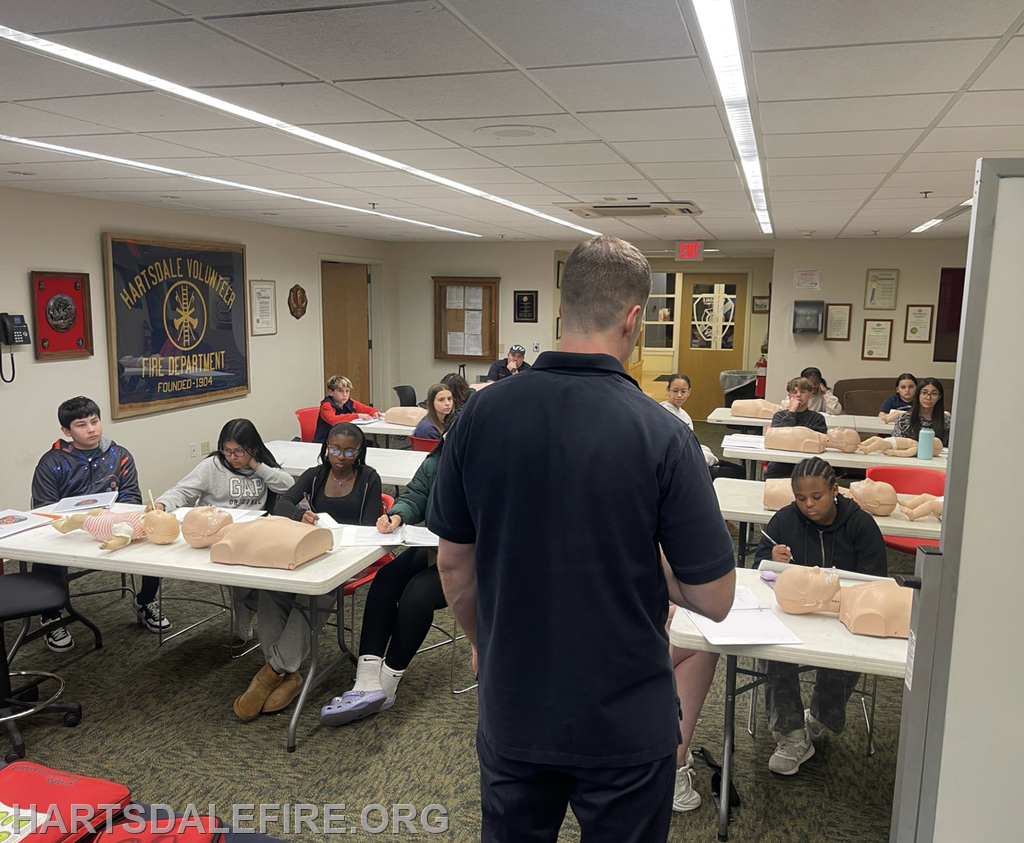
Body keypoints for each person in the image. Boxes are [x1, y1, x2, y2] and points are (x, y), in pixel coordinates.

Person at [431, 235, 736, 843]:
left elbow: (454, 568)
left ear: (559, 311)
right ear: (634, 320)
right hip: (625, 722)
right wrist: (647, 557)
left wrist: (482, 644)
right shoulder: (664, 434)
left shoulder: (477, 417)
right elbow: (716, 599)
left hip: (515, 703)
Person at [232, 423, 382, 720]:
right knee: (271, 587)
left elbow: (368, 524)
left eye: (349, 450)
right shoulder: (315, 476)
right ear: (326, 449)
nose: (340, 456)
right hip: (310, 550)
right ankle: (288, 675)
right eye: (335, 449)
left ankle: (271, 673)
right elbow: (283, 504)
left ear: (359, 452)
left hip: (347, 558)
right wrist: (300, 514)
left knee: (316, 592)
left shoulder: (369, 479)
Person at [752, 457, 887, 775]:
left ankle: (819, 720)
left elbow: (875, 583)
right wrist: (769, 558)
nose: (808, 505)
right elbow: (757, 568)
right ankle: (790, 733)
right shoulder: (784, 521)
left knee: (852, 648)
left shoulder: (860, 525)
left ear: (835, 490)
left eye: (817, 497)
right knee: (772, 649)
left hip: (841, 615)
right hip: (792, 614)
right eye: (800, 499)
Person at [319, 416, 453, 726]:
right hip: (434, 546)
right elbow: (417, 495)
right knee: (386, 579)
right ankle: (366, 684)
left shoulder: (495, 467)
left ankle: (386, 689)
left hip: (475, 558)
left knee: (416, 596)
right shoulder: (439, 459)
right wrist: (396, 516)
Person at [30, 396, 169, 652]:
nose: (91, 429)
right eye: (81, 425)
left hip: (114, 525)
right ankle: (50, 614)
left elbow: (131, 497)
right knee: (44, 551)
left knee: (154, 540)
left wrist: (116, 519)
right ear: (66, 431)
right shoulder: (52, 462)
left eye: (94, 421)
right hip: (72, 528)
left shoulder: (120, 455)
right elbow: (43, 506)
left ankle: (145, 600)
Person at [148, 418, 294, 642]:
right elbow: (183, 490)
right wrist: (161, 504)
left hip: (253, 533)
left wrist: (256, 466)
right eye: (227, 450)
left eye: (238, 451)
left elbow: (288, 486)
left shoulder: (261, 467)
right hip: (214, 534)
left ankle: (247, 604)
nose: (232, 457)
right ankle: (245, 604)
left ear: (253, 449)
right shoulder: (213, 465)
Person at [660, 373, 744, 481]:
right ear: (668, 391)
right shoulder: (666, 413)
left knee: (736, 468)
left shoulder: (682, 413)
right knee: (736, 473)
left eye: (683, 391)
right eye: (675, 391)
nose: (679, 395)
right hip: (682, 465)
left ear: (689, 392)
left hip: (693, 456)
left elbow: (692, 442)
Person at [765, 377, 829, 479]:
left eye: (803, 392)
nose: (798, 395)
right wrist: (791, 412)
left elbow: (819, 442)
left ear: (810, 394)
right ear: (789, 396)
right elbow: (779, 439)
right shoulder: (779, 416)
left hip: (808, 463)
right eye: (794, 392)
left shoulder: (817, 418)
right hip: (782, 461)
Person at [313, 375, 381, 443]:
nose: (345, 394)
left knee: (372, 444)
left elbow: (365, 409)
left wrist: (375, 412)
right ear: (331, 392)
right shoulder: (326, 405)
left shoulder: (349, 402)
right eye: (340, 391)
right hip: (326, 440)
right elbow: (333, 420)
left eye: (347, 391)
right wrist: (357, 415)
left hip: (343, 438)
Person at [893, 377, 950, 445]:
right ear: (918, 394)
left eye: (934, 394)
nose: (928, 397)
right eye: (924, 393)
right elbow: (897, 444)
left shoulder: (946, 422)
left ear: (939, 397)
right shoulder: (903, 420)